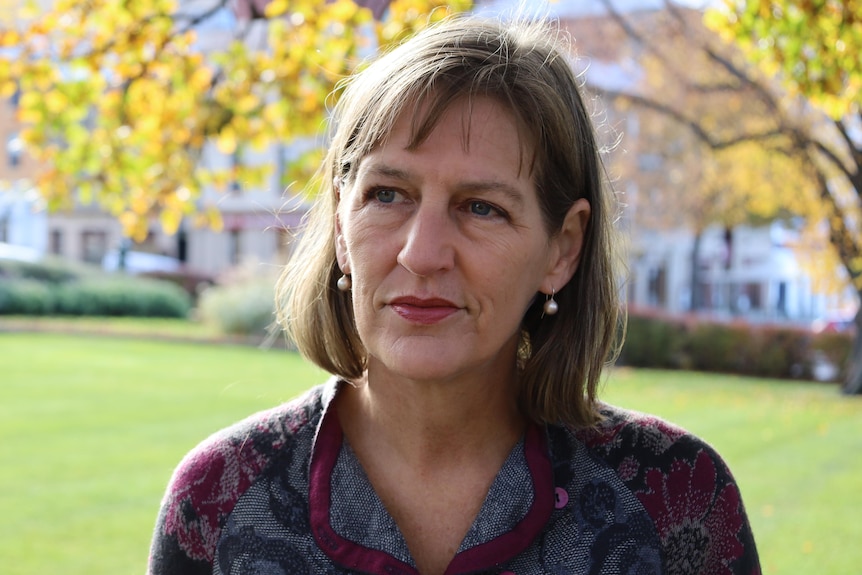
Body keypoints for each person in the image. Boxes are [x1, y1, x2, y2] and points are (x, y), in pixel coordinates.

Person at [147, 15, 760, 575]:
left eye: (481, 208)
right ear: (339, 222)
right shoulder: (219, 498)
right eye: (387, 194)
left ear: (563, 248)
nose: (422, 252)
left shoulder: (676, 500)